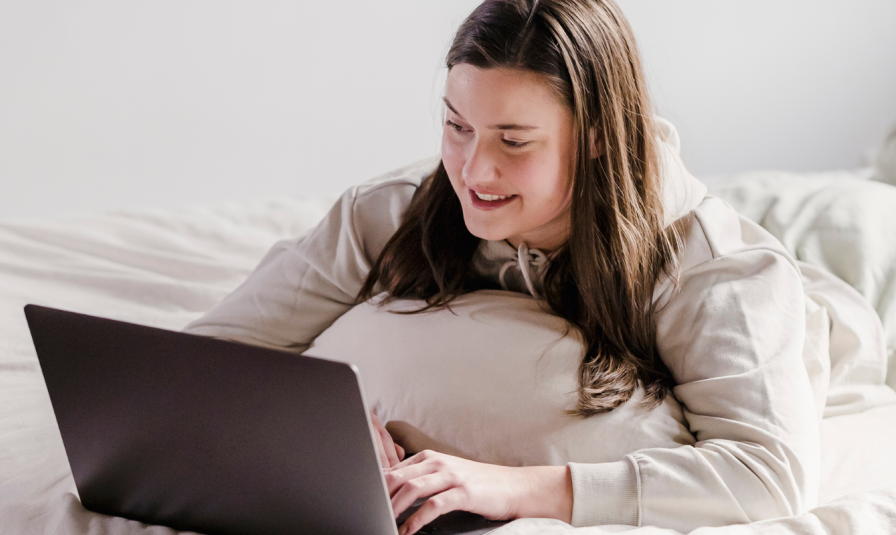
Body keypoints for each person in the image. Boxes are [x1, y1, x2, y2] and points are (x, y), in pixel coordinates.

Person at [183, 0, 821, 532]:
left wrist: (516, 488)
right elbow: (205, 352)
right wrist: (317, 420)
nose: (473, 172)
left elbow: (771, 474)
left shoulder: (714, 271)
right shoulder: (387, 214)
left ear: (597, 135)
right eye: (458, 127)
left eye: (514, 141)